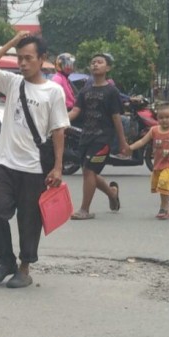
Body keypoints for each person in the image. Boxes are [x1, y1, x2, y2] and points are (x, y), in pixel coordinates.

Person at [0, 32, 68, 289]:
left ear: (42, 60)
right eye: (19, 58)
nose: (23, 63)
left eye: (29, 58)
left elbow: (59, 130)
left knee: (29, 221)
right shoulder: (13, 82)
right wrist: (9, 44)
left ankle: (24, 269)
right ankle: (5, 262)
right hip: (6, 164)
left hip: (34, 168)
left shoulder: (53, 91)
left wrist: (58, 167)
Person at [68, 53, 130, 220]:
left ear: (107, 68)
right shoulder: (85, 91)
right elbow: (75, 111)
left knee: (89, 171)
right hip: (86, 137)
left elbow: (117, 118)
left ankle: (84, 210)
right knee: (91, 173)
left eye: (99, 62)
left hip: (103, 139)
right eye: (93, 62)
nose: (95, 64)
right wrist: (60, 120)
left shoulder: (112, 91)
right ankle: (112, 193)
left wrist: (123, 142)